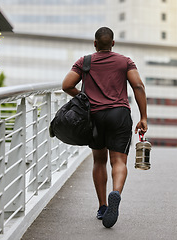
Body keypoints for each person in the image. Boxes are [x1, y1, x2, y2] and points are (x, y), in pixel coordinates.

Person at [62, 27, 147, 228]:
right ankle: (116, 192)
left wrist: (84, 99)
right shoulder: (125, 61)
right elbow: (138, 86)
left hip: (94, 116)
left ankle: (102, 206)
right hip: (119, 115)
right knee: (118, 161)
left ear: (95, 43)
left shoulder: (84, 62)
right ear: (113, 43)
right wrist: (143, 117)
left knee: (99, 160)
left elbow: (66, 85)